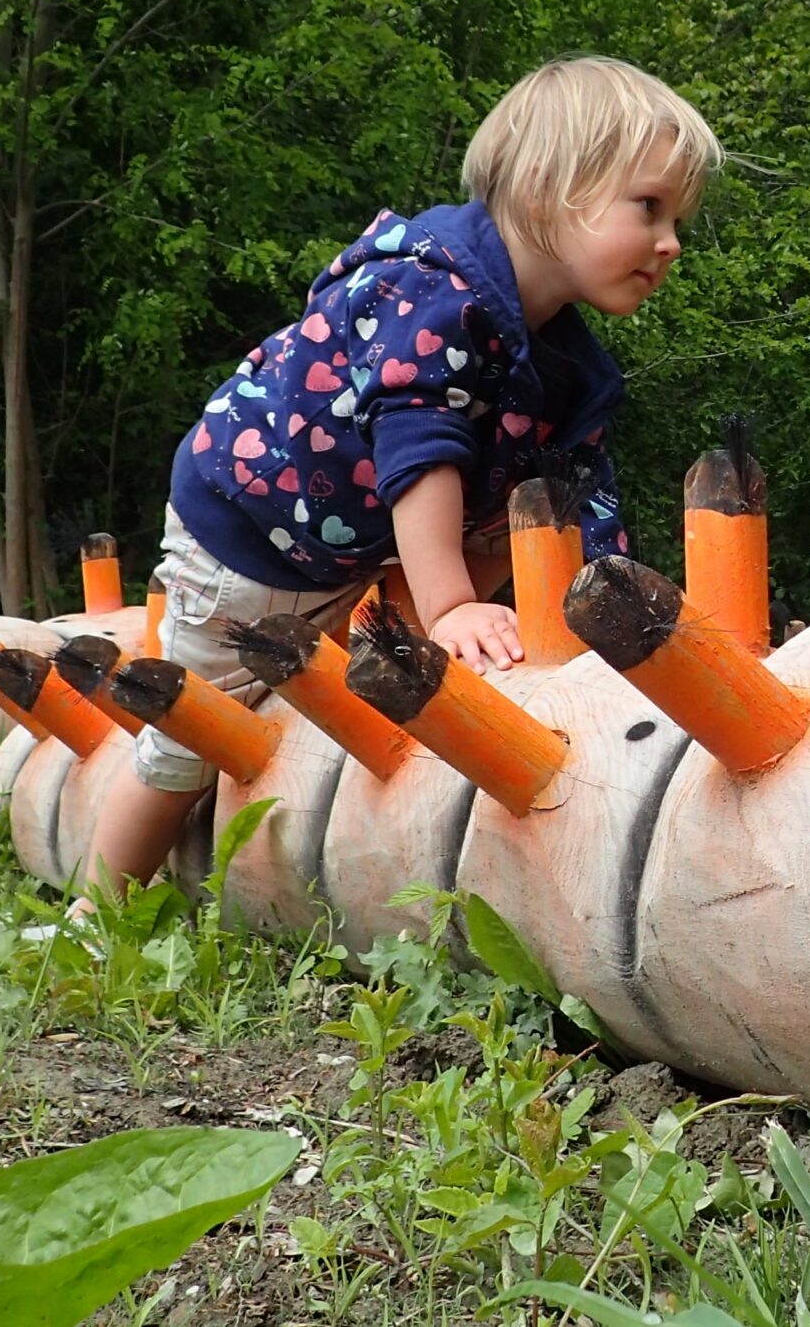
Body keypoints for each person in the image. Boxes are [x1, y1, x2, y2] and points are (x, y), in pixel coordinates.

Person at [78, 55, 720, 907]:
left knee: (526, 508)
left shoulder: (566, 362)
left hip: (360, 546)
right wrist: (452, 604)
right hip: (253, 538)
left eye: (678, 217)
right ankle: (96, 910)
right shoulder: (434, 290)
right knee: (188, 737)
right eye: (649, 207)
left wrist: (605, 617)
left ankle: (430, 647)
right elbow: (419, 452)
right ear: (545, 187)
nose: (671, 241)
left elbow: (576, 495)